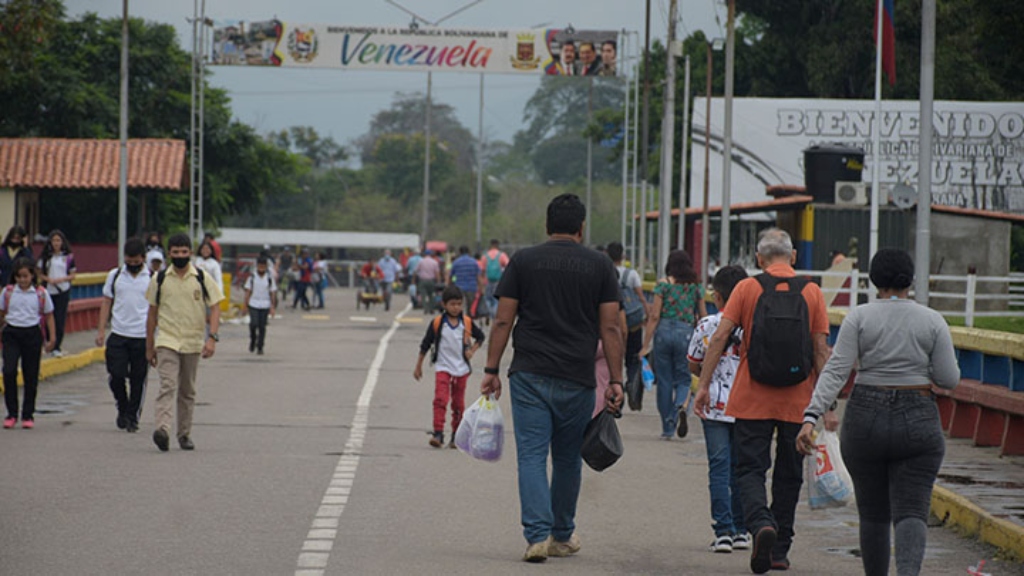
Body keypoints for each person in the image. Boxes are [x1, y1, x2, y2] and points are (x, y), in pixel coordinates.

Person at [797, 249, 960, 576]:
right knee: (912, 510)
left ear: (874, 281)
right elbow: (948, 379)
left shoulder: (859, 317)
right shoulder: (932, 321)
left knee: (873, 513)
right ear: (910, 281)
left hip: (865, 418)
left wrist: (810, 417)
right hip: (918, 417)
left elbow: (836, 371)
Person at [479, 193, 624, 563]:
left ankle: (536, 537)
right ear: (581, 227)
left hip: (529, 373)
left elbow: (502, 319)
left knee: (530, 455)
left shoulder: (524, 261)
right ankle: (561, 535)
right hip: (577, 377)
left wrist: (491, 369)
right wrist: (617, 380)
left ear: (547, 226)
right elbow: (610, 327)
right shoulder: (601, 265)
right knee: (566, 459)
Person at [693, 228, 835, 574]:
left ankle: (759, 525)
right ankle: (780, 550)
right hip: (797, 401)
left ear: (759, 259)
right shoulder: (813, 292)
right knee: (789, 475)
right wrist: (827, 406)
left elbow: (719, 337)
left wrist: (704, 385)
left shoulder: (747, 288)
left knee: (750, 470)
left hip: (752, 398)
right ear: (794, 257)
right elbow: (820, 351)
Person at [687, 265, 750, 553]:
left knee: (719, 467)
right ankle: (741, 530)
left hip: (712, 405)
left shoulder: (707, 325)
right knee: (743, 468)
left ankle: (722, 531)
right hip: (747, 405)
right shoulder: (753, 324)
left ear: (717, 296)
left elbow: (693, 363)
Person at [145, 233, 224, 452]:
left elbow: (216, 306)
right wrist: (149, 346)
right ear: (168, 253)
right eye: (176, 252)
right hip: (167, 340)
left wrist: (212, 338)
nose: (180, 256)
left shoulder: (201, 277)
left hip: (192, 341)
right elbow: (152, 314)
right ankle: (162, 429)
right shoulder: (159, 279)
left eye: (184, 252)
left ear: (190, 253)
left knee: (187, 390)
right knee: (167, 385)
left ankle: (184, 434)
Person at [639, 249, 706, 440]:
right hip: (686, 334)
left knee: (665, 381)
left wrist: (645, 344)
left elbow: (654, 316)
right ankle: (681, 408)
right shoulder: (696, 287)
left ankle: (667, 428)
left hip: (663, 333)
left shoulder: (663, 285)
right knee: (684, 379)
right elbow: (703, 316)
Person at [414, 284, 485, 449]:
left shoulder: (466, 323)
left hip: (462, 369)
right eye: (452, 304)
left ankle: (456, 435)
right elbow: (425, 344)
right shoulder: (438, 323)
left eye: (459, 304)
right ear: (444, 305)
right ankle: (438, 433)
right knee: (440, 399)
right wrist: (419, 366)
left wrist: (472, 351)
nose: (456, 307)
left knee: (458, 403)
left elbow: (480, 337)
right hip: (443, 367)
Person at [96, 237, 151, 433]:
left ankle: (132, 416)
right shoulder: (115, 275)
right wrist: (101, 330)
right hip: (118, 333)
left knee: (138, 378)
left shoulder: (152, 277)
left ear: (143, 259)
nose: (133, 265)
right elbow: (106, 302)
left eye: (137, 262)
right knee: (116, 374)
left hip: (142, 335)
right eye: (129, 261)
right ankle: (122, 404)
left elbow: (158, 308)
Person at [1, 258, 56, 429]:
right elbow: (2, 313)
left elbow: (49, 316)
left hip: (32, 334)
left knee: (30, 375)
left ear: (32, 275)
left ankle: (28, 414)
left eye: (25, 276)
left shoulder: (40, 294)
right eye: (19, 277)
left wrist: (52, 338)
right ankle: (11, 413)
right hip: (11, 333)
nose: (22, 280)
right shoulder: (8, 293)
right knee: (9, 371)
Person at [606, 241, 646, 400]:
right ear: (622, 255)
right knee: (633, 357)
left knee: (613, 357)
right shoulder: (632, 274)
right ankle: (632, 383)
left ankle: (616, 385)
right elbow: (641, 296)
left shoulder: (606, 272)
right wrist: (647, 312)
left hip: (613, 321)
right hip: (633, 323)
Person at [37, 229, 76, 357]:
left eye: (58, 240)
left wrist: (60, 280)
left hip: (62, 290)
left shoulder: (68, 257)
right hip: (48, 290)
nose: (56, 243)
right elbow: (38, 272)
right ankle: (46, 343)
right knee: (47, 317)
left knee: (60, 319)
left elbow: (72, 274)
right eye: (53, 240)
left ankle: (56, 345)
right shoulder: (45, 257)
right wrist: (48, 280)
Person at [242, 255, 277, 355]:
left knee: (262, 326)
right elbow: (248, 292)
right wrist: (245, 305)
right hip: (253, 303)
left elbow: (272, 293)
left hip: (265, 304)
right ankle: (253, 339)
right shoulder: (252, 277)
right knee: (254, 324)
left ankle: (260, 346)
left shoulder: (269, 278)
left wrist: (272, 307)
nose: (261, 268)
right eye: (260, 266)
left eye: (263, 266)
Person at [479, 239, 509, 324]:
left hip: (487, 281)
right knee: (496, 300)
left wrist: (481, 284)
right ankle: (494, 317)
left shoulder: (485, 256)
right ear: (497, 245)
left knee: (488, 299)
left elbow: (481, 270)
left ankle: (488, 313)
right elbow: (508, 265)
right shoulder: (501, 255)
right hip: (498, 281)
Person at [447, 245, 482, 311]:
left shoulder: (456, 262)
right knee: (470, 306)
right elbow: (478, 276)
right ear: (468, 252)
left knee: (460, 305)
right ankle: (468, 318)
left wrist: (449, 286)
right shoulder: (474, 262)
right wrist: (481, 288)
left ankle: (461, 318)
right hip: (472, 287)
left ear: (460, 252)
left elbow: (451, 276)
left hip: (459, 287)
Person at [414, 249, 442, 314]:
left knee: (423, 295)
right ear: (431, 255)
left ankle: (425, 309)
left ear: (424, 254)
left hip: (423, 281)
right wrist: (438, 281)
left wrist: (413, 280)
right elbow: (437, 273)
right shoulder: (434, 262)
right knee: (432, 295)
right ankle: (431, 308)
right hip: (431, 281)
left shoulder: (421, 262)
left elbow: (415, 271)